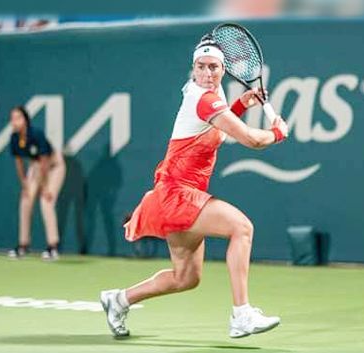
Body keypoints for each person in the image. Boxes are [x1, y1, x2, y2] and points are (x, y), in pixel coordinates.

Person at [100, 35, 289, 338]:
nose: (207, 73)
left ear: (223, 70)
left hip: (173, 195)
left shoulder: (209, 96)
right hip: (177, 194)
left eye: (213, 67)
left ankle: (119, 300)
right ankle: (241, 314)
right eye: (201, 67)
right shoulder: (204, 97)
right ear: (193, 68)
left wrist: (240, 104)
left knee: (186, 277)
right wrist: (277, 132)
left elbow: (217, 130)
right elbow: (252, 140)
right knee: (242, 228)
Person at [7, 106, 66, 261]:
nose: (14, 121)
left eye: (17, 118)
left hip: (54, 167)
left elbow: (45, 161)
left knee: (46, 202)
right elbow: (19, 162)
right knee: (26, 201)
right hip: (36, 167)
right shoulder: (14, 138)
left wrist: (45, 187)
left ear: (25, 120)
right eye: (12, 118)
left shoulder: (36, 134)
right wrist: (25, 184)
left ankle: (53, 247)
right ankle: (23, 245)